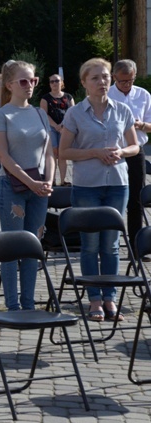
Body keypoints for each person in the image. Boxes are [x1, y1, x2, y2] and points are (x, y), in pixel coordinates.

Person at [60, 57, 140, 322]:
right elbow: (64, 151)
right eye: (95, 78)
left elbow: (134, 146)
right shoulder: (74, 113)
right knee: (90, 244)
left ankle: (110, 298)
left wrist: (121, 151)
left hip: (117, 184)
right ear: (84, 83)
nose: (102, 82)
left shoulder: (122, 110)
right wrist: (94, 152)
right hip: (87, 186)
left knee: (112, 245)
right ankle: (94, 299)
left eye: (105, 76)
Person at [0, 60, 54, 311]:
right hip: (12, 186)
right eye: (24, 81)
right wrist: (32, 182)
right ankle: (13, 305)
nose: (30, 85)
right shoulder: (2, 113)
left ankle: (28, 303)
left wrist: (48, 181)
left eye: (34, 80)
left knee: (33, 246)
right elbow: (4, 157)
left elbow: (50, 152)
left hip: (39, 188)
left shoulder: (39, 113)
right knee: (12, 247)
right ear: (10, 85)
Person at [108, 59, 151, 256]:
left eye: (131, 80)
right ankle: (108, 244)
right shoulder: (106, 93)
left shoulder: (143, 95)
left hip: (136, 150)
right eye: (123, 81)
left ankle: (136, 246)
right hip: (112, 151)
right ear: (115, 77)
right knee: (110, 197)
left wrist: (140, 124)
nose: (127, 85)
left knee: (136, 198)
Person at [40, 74, 75, 186]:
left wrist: (63, 125)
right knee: (53, 153)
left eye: (57, 81)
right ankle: (52, 180)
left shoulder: (68, 97)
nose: (54, 83)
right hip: (51, 127)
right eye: (52, 81)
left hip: (66, 127)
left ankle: (63, 180)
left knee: (63, 154)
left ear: (62, 83)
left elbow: (72, 113)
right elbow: (44, 114)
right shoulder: (45, 98)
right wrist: (56, 126)